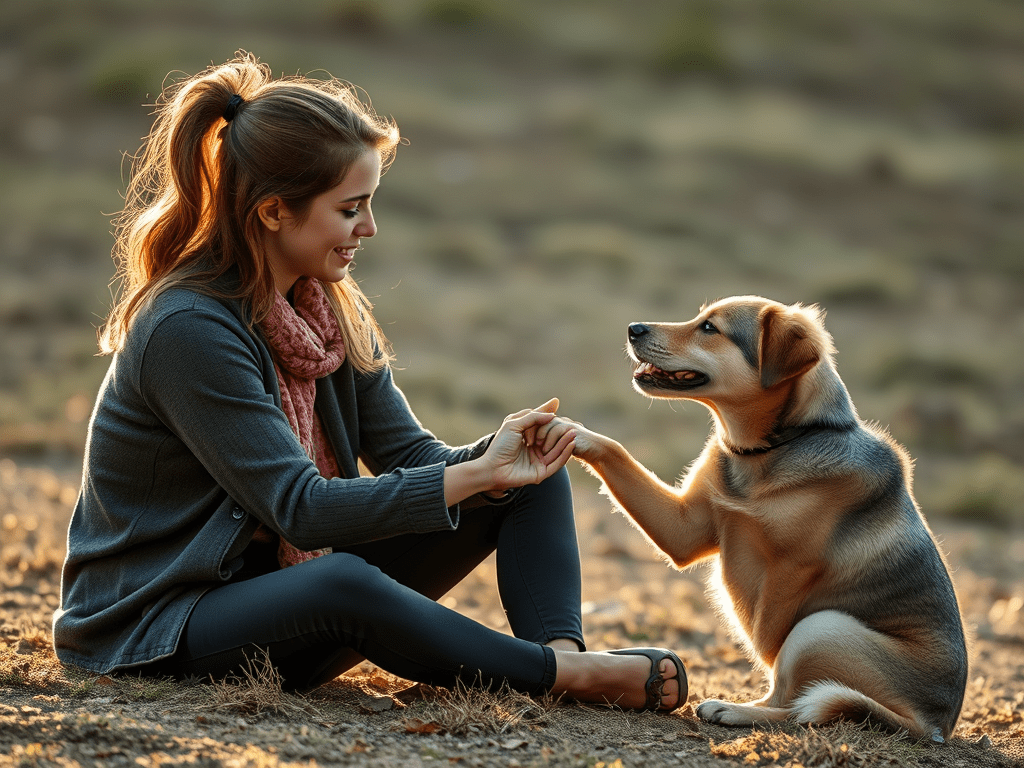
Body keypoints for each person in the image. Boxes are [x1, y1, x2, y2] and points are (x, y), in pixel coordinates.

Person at [52, 52, 685, 712]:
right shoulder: (187, 328)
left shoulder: (325, 308)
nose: (369, 228)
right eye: (350, 208)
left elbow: (411, 459)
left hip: (281, 600)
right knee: (339, 581)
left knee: (529, 475)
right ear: (273, 213)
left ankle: (566, 661)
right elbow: (299, 508)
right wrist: (471, 475)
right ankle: (557, 675)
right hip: (161, 624)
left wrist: (496, 461)